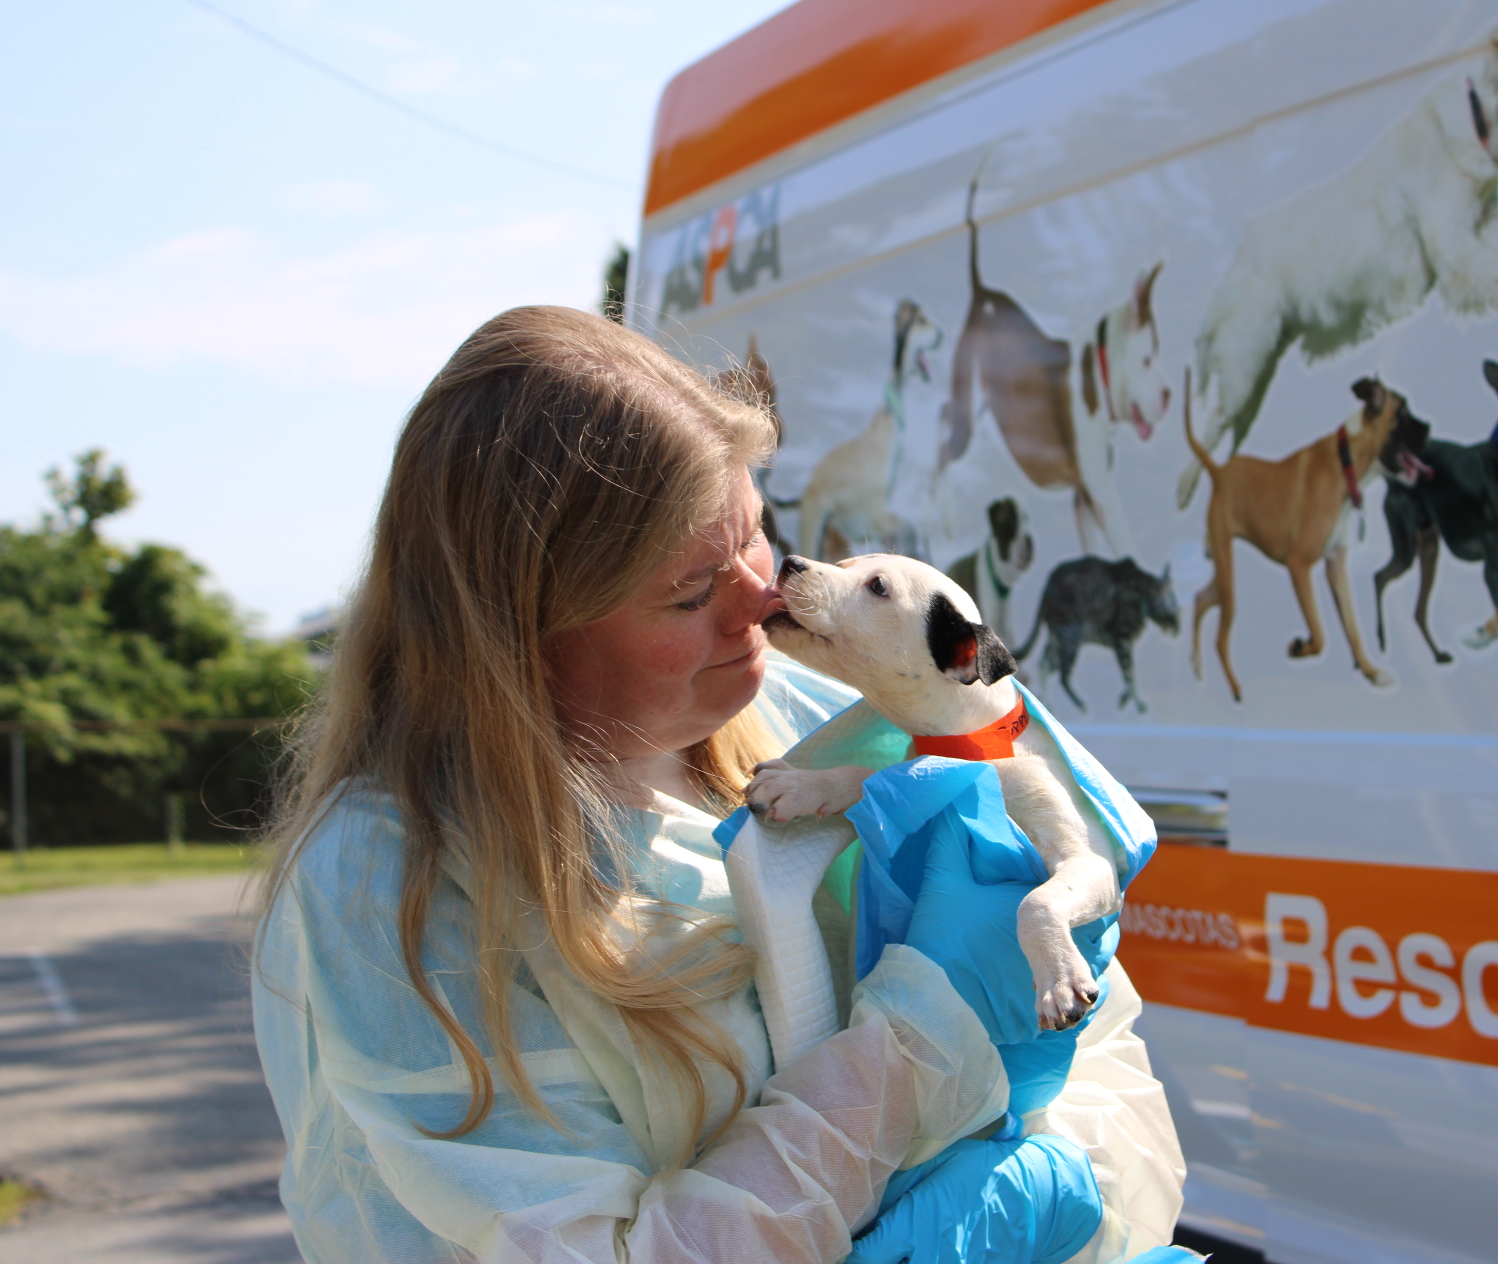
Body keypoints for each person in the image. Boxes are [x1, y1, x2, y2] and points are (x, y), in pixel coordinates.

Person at [251, 305, 1185, 1263]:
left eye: (754, 532)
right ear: (511, 637)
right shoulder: (392, 884)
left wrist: (1073, 1188)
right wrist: (905, 1059)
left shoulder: (819, 718)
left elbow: (1108, 1072)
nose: (761, 594)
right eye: (690, 591)